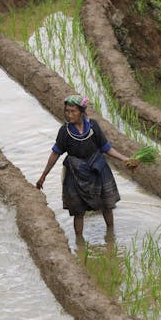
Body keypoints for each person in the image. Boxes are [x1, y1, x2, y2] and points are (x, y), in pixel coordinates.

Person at [36, 95, 139, 239]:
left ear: (82, 112)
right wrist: (43, 176)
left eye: (73, 111)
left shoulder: (93, 127)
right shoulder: (65, 132)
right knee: (78, 211)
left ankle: (111, 236)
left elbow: (106, 148)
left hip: (97, 169)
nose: (69, 114)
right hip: (75, 173)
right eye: (67, 111)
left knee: (107, 206)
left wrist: (125, 158)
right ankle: (80, 242)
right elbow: (55, 154)